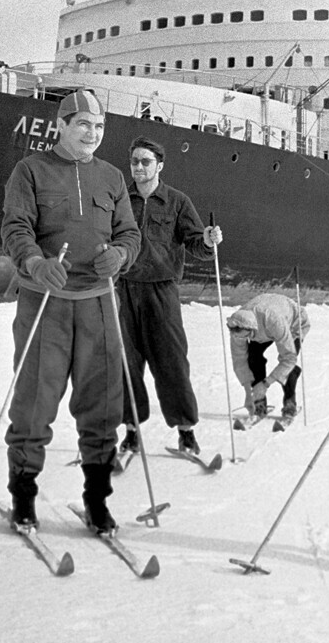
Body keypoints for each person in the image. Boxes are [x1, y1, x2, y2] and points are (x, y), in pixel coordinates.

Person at [0, 89, 142, 533]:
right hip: (45, 303)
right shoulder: (31, 171)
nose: (92, 134)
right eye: (83, 124)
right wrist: (35, 262)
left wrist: (120, 256)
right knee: (34, 401)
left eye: (99, 127)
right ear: (61, 125)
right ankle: (24, 497)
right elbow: (16, 225)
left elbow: (130, 234)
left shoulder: (113, 177)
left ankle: (97, 501)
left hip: (98, 303)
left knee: (102, 403)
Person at [116, 137, 222, 458]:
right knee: (125, 363)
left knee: (172, 362)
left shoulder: (176, 202)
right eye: (135, 161)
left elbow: (196, 245)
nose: (138, 167)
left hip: (161, 291)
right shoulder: (121, 199)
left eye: (146, 161)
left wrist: (207, 240)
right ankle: (131, 432)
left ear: (159, 165)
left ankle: (185, 431)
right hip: (123, 289)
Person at [226, 291, 310, 420]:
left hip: (293, 323)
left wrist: (265, 384)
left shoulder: (274, 320)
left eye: (245, 336)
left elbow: (288, 358)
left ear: (251, 329)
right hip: (262, 326)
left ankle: (289, 403)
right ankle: (259, 403)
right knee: (253, 359)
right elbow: (239, 360)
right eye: (239, 336)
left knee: (288, 367)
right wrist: (249, 391)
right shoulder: (237, 326)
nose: (240, 338)